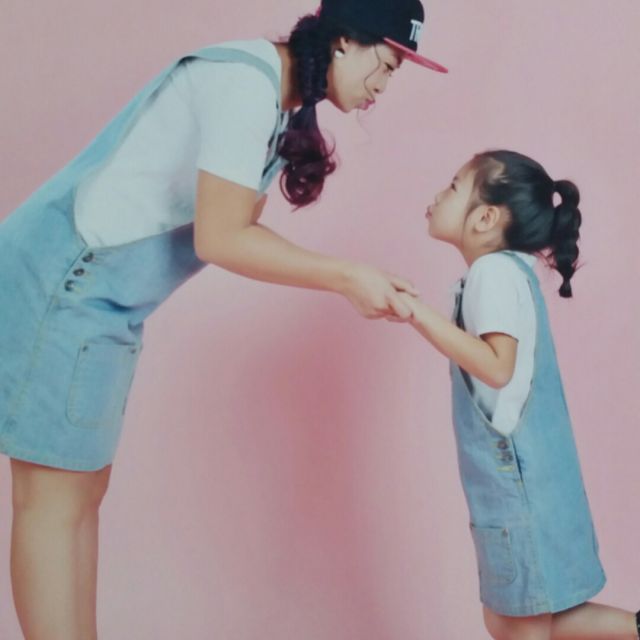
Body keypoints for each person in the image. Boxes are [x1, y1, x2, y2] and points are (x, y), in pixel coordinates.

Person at [0, 1, 448, 638]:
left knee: (81, 494)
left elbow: (236, 226)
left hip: (109, 303)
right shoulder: (246, 83)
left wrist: (351, 276)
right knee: (53, 500)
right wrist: (347, 276)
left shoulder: (282, 101)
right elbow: (221, 237)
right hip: (67, 284)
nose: (385, 84)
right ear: (346, 41)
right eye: (389, 63)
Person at [395, 150, 640, 639]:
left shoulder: (493, 273)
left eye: (453, 186)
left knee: (517, 622)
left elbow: (496, 367)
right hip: (529, 485)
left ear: (486, 217)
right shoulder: (509, 271)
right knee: (514, 618)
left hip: (516, 489)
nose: (439, 194)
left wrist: (416, 314)